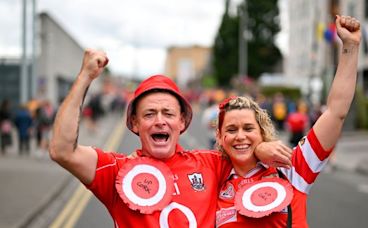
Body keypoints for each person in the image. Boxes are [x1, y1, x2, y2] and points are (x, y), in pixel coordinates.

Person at [49, 49, 293, 227]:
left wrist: (260, 148)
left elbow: (243, 149)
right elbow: (62, 150)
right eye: (149, 114)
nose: (159, 121)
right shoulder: (116, 171)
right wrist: (84, 78)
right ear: (134, 122)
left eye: (168, 113)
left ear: (182, 122)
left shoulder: (211, 163)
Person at [215, 15, 361, 227]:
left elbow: (336, 111)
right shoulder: (212, 178)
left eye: (248, 128)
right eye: (231, 129)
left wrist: (350, 46)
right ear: (220, 136)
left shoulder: (291, 168)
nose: (240, 136)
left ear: (262, 131)